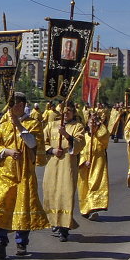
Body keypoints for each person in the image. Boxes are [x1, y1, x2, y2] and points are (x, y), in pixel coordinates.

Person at [0, 92, 49, 259]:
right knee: (3, 206)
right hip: (5, 175)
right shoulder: (4, 126)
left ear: (21, 105)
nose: (11, 108)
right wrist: (6, 151)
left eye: (14, 105)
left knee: (23, 205)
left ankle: (21, 242)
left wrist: (19, 127)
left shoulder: (34, 124)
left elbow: (33, 143)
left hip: (24, 174)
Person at [43, 101, 85, 242]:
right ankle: (54, 222)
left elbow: (80, 144)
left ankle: (64, 228)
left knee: (65, 194)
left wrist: (66, 135)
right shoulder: (51, 125)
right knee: (52, 192)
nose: (65, 114)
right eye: (64, 111)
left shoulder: (77, 126)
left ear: (73, 112)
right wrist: (52, 150)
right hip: (52, 165)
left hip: (68, 165)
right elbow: (42, 141)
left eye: (69, 111)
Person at [77, 109, 110, 221]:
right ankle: (85, 209)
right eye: (91, 122)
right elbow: (77, 151)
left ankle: (93, 208)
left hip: (98, 165)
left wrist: (99, 124)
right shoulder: (84, 137)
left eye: (95, 122)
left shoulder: (100, 136)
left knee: (95, 185)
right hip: (84, 166)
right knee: (84, 187)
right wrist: (82, 162)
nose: (93, 124)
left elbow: (105, 134)